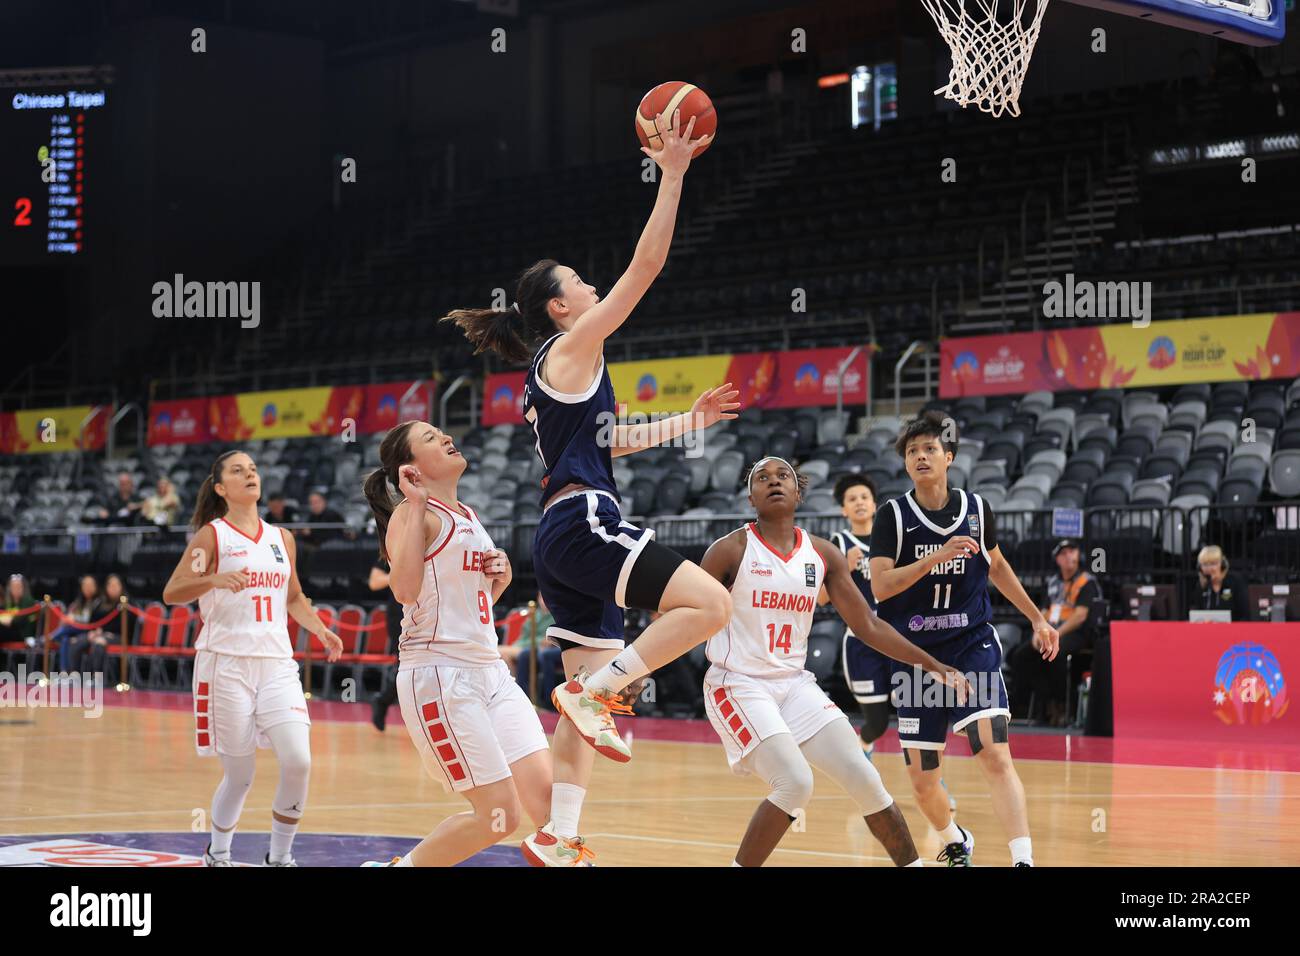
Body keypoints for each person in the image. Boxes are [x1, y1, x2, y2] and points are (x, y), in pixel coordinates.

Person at [441, 108, 733, 852]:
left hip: (563, 532)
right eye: (578, 281)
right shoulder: (571, 348)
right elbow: (645, 270)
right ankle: (596, 690)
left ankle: (558, 837)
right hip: (583, 522)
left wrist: (685, 424)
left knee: (583, 709)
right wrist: (670, 176)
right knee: (711, 604)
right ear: (559, 309)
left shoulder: (563, 373)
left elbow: (611, 439)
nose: (592, 284)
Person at [700, 457, 970, 867]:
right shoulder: (729, 550)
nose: (774, 482)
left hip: (794, 685)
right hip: (738, 683)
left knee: (867, 780)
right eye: (762, 478)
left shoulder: (822, 554)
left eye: (783, 476)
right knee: (794, 782)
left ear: (799, 491)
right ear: (750, 495)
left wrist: (933, 664)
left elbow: (868, 626)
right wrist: (639, 669)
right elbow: (685, 614)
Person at [361, 421, 590, 866]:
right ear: (412, 469)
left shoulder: (468, 514)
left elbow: (464, 602)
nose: (446, 437)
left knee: (548, 808)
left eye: (442, 432)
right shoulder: (413, 515)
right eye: (430, 438)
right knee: (499, 817)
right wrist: (415, 502)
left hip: (491, 674)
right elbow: (405, 590)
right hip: (441, 675)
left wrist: (497, 581)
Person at [869, 411, 1059, 867]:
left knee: (992, 751)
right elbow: (880, 587)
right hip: (914, 656)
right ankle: (955, 838)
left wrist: (1036, 618)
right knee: (922, 782)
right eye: (912, 451)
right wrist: (935, 557)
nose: (920, 456)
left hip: (971, 645)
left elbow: (997, 566)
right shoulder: (892, 517)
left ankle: (1023, 859)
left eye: (929, 449)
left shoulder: (976, 510)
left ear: (948, 457)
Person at [163, 450, 343, 867]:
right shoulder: (212, 535)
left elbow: (293, 596)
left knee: (299, 760)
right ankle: (218, 852)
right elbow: (173, 591)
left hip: (277, 663)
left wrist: (320, 629)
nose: (250, 475)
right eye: (238, 471)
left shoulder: (283, 538)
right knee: (240, 775)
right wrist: (213, 579)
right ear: (222, 488)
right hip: (225, 663)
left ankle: (280, 858)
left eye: (254, 469)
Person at [1008, 539, 1099, 726]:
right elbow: (1042, 611)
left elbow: (1080, 616)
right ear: (1057, 559)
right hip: (1048, 631)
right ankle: (1038, 702)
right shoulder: (1052, 581)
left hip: (1075, 632)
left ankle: (1061, 706)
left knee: (1056, 654)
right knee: (1019, 656)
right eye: (1063, 553)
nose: (1069, 556)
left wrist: (1055, 633)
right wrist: (1037, 632)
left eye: (1072, 551)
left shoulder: (1086, 581)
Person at [499, 594, 565, 707]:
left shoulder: (557, 615)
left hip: (536, 648)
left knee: (498, 651)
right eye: (541, 597)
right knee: (503, 655)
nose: (543, 601)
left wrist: (518, 646)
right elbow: (524, 635)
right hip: (524, 646)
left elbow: (546, 640)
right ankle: (513, 694)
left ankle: (516, 695)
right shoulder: (535, 614)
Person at [367, 559, 405, 732]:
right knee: (405, 666)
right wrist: (401, 574)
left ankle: (383, 700)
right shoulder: (392, 547)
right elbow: (374, 582)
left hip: (428, 610)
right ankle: (382, 700)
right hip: (400, 615)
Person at [76, 574, 128, 678]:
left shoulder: (126, 604)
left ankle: (97, 676)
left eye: (116, 585)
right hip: (101, 634)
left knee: (99, 643)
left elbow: (126, 626)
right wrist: (94, 632)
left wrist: (103, 632)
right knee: (77, 641)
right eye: (110, 585)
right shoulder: (101, 603)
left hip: (119, 636)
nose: (113, 588)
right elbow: (94, 621)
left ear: (121, 586)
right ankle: (73, 675)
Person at [50, 575, 105, 672]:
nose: (87, 588)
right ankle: (64, 673)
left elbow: (91, 621)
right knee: (65, 639)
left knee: (69, 630)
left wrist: (74, 619)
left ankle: (47, 638)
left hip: (89, 631)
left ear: (96, 586)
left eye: (90, 585)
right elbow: (66, 619)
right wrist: (68, 619)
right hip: (75, 631)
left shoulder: (99, 602)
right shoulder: (78, 602)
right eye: (85, 585)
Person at [1194, 545, 1251, 621]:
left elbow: (1245, 615)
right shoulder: (1201, 585)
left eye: (1212, 564)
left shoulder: (1235, 581)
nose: (1208, 569)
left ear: (1222, 565)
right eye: (1205, 564)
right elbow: (1198, 615)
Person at [0, 574, 39, 644]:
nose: (16, 589)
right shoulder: (8, 602)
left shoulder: (28, 601)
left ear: (24, 587)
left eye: (18, 586)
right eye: (13, 586)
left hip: (23, 634)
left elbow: (19, 620)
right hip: (9, 631)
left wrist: (9, 619)